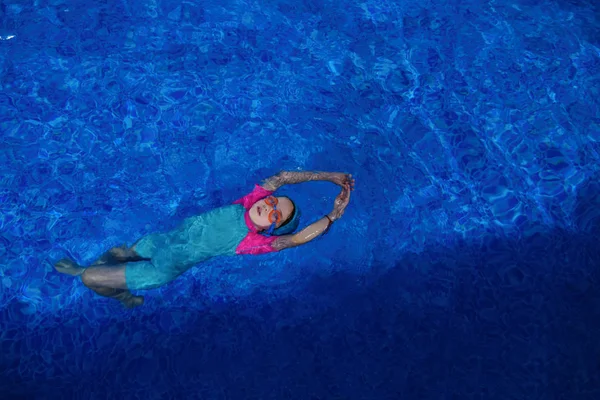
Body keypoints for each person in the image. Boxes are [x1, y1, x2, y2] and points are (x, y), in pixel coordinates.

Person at [54, 171, 355, 308]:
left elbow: (298, 238)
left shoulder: (250, 242)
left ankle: (123, 296)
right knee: (118, 251)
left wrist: (333, 215)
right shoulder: (246, 202)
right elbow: (284, 177)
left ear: (269, 230)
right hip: (158, 241)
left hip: (162, 269)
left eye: (276, 216)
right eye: (275, 202)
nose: (270, 208)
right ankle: (112, 283)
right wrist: (329, 177)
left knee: (91, 278)